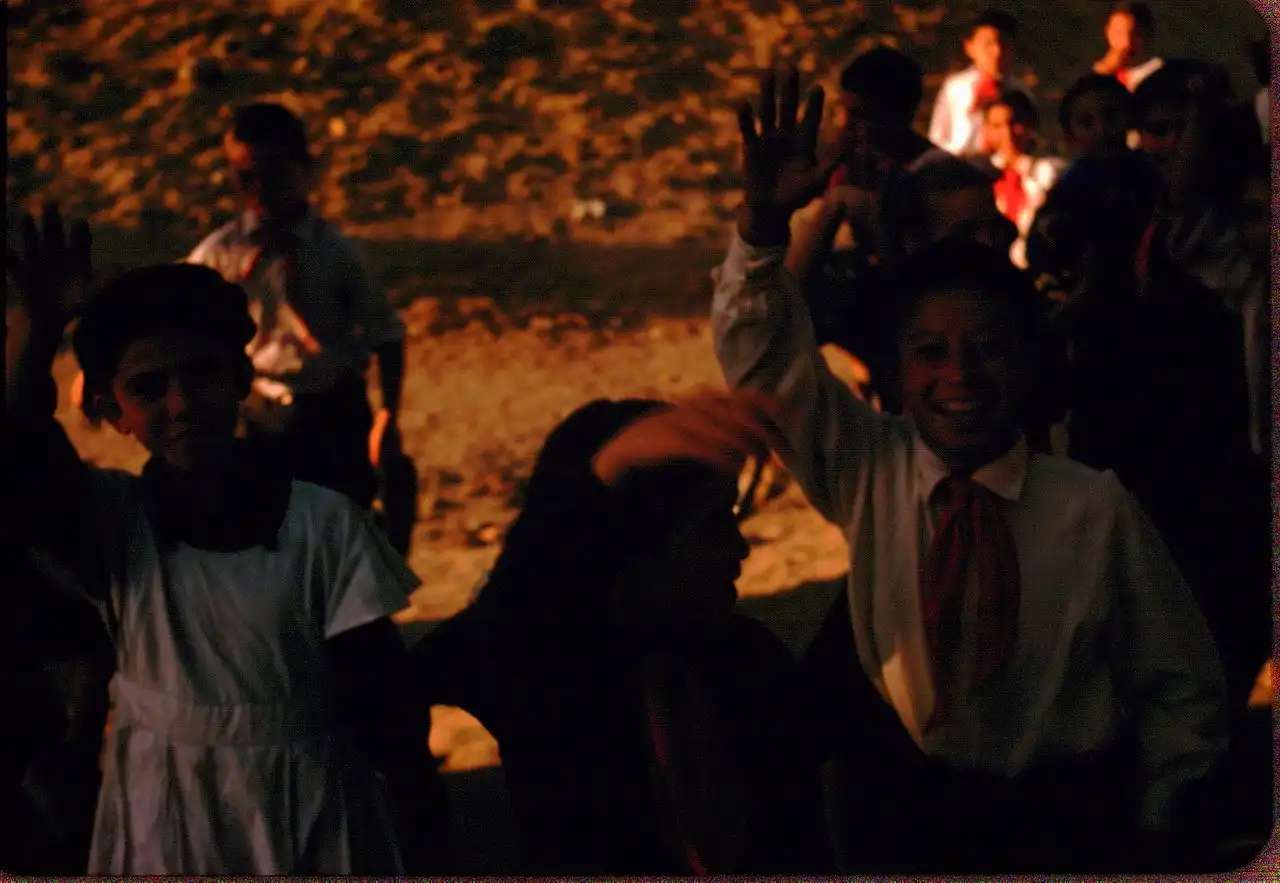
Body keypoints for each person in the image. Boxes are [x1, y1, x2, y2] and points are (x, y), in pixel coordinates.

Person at [707, 68, 1227, 873]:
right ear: (895, 369)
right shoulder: (871, 470)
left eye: (988, 351)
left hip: (1066, 824)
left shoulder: (1091, 507)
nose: (960, 377)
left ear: (1024, 364)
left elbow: (1180, 679)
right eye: (929, 353)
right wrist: (764, 226)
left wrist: (1154, 815)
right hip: (911, 818)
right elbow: (764, 362)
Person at [5, 206, 449, 875]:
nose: (181, 404)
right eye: (149, 388)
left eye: (201, 374)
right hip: (165, 814)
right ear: (112, 411)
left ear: (241, 380)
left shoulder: (324, 526)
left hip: (312, 812)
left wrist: (427, 834)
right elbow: (20, 458)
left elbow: (390, 709)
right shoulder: (113, 525)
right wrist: (40, 333)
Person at [409, 397, 831, 876]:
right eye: (710, 525)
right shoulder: (549, 674)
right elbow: (517, 600)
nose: (739, 547)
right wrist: (606, 471)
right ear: (633, 550)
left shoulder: (749, 661)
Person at [183, 103, 408, 515]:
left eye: (274, 176)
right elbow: (174, 317)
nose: (260, 190)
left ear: (306, 171)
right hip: (257, 418)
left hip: (332, 415)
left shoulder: (336, 253)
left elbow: (386, 334)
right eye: (245, 177)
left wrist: (388, 416)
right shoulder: (220, 255)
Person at [975, 89, 1065, 268]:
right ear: (986, 130)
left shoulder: (1050, 172)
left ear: (1031, 124)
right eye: (997, 126)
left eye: (1015, 123)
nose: (1007, 134)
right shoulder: (981, 176)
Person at [928, 9, 1034, 155]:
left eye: (1003, 43)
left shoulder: (1021, 91)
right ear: (970, 47)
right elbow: (937, 138)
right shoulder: (956, 88)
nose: (997, 52)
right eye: (988, 44)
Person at [1093, 2, 1164, 91]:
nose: (1126, 42)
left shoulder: (1160, 75)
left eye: (1135, 33)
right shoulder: (1097, 72)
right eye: (1118, 33)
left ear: (1147, 34)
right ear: (1108, 33)